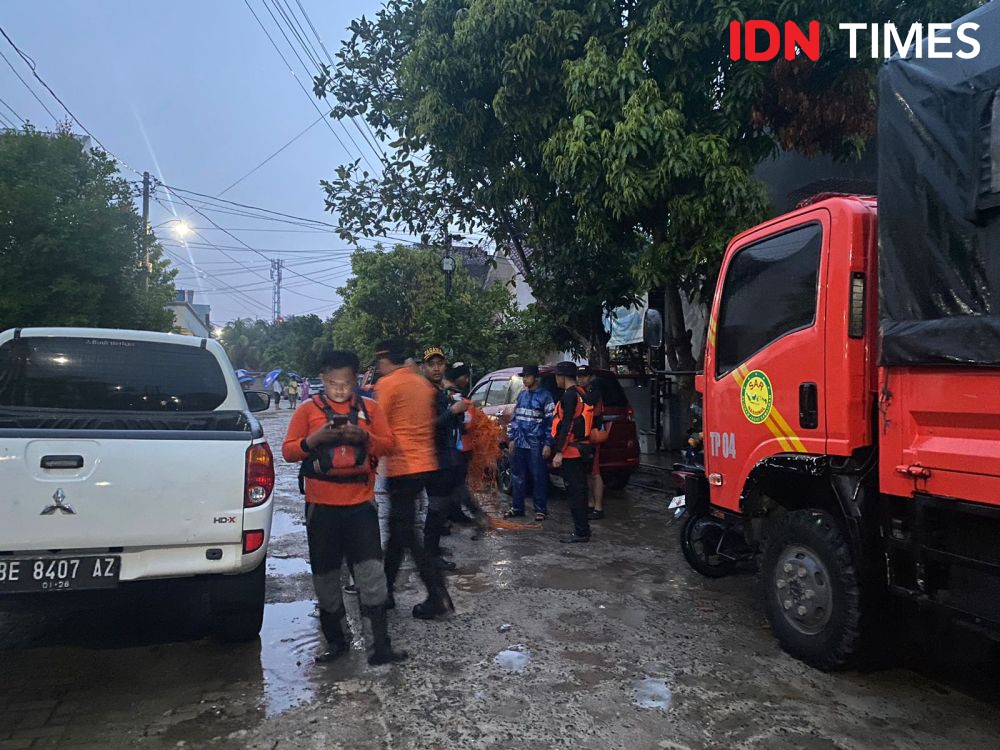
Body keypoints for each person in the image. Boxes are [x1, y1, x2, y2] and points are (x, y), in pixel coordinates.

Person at [281, 350, 407, 665]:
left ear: (356, 380)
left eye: (346, 383)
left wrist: (363, 436)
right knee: (325, 578)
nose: (340, 390)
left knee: (371, 577)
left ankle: (379, 647)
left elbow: (389, 444)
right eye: (334, 384)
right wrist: (314, 439)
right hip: (321, 508)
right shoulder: (307, 411)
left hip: (360, 506)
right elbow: (287, 452)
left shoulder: (371, 408)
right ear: (322, 380)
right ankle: (337, 642)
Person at [374, 341, 454, 619]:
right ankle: (385, 592)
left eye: (378, 361)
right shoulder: (421, 385)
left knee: (406, 534)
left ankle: (437, 595)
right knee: (398, 531)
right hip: (424, 465)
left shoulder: (387, 385)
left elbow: (379, 426)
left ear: (385, 359)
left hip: (401, 467)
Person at [420, 346, 468, 571]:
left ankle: (432, 550)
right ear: (424, 367)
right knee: (437, 507)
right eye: (432, 364)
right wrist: (453, 411)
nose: (436, 367)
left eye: (440, 363)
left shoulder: (440, 390)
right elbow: (429, 426)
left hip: (445, 456)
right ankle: (429, 556)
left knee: (441, 506)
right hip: (434, 458)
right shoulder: (425, 392)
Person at [505, 364, 555, 521]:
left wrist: (548, 443)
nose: (525, 379)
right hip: (520, 442)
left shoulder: (545, 396)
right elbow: (515, 419)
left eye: (527, 376)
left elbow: (551, 422)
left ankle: (540, 509)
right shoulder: (522, 395)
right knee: (518, 476)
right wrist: (512, 439)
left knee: (538, 476)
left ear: (535, 377)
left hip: (536, 443)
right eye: (523, 377)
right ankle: (517, 507)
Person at [551, 361, 591, 543]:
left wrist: (559, 451)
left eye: (556, 376)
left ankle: (581, 532)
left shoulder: (569, 396)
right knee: (580, 490)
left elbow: (567, 425)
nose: (555, 380)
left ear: (561, 376)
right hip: (582, 447)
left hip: (572, 451)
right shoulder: (581, 393)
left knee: (575, 492)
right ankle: (583, 529)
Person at [444, 362, 486, 534]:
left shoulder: (450, 394)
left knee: (455, 484)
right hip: (458, 447)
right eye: (464, 376)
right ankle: (474, 514)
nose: (467, 379)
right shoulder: (455, 396)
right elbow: (467, 422)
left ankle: (456, 515)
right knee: (457, 484)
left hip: (457, 447)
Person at [578, 365, 606, 520]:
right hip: (586, 437)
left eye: (584, 376)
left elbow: (587, 404)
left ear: (591, 377)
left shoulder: (593, 393)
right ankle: (591, 504)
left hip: (593, 437)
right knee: (588, 473)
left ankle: (598, 508)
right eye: (579, 376)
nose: (580, 379)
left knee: (595, 473)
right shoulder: (584, 391)